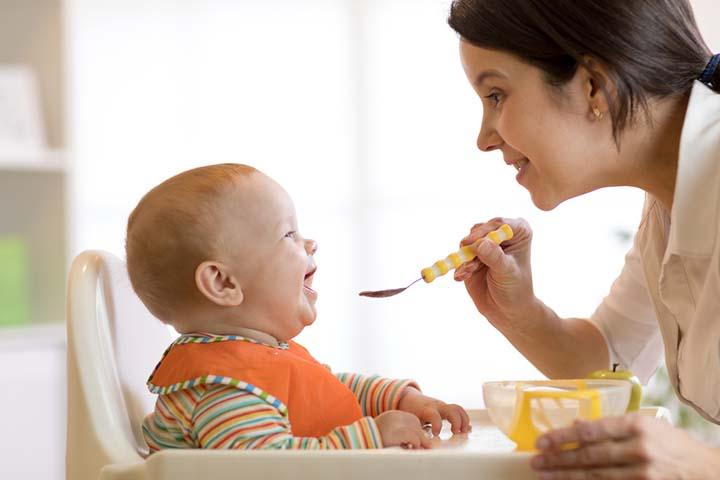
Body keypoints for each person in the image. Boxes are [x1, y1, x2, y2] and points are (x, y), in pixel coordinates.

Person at [446, 0, 720, 477]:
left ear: (593, 85)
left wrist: (699, 467)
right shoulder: (671, 196)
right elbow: (611, 362)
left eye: (496, 95)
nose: (484, 138)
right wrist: (519, 312)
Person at [126, 163, 470, 452]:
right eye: (288, 234)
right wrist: (372, 437)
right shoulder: (222, 390)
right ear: (223, 283)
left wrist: (397, 399)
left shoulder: (256, 362)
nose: (310, 242)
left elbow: (330, 389)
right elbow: (274, 468)